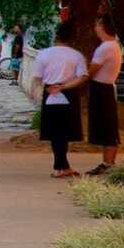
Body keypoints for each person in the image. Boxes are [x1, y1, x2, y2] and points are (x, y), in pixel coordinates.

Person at [34, 22, 89, 177]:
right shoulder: (76, 55)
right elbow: (82, 76)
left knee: (54, 132)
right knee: (64, 132)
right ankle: (61, 166)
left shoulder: (43, 54)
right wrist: (63, 87)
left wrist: (48, 89)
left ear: (55, 37)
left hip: (49, 92)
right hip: (69, 93)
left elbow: (37, 77)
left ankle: (61, 166)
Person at [85, 15, 123, 176]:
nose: (95, 27)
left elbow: (91, 71)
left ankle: (108, 163)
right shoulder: (112, 45)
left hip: (102, 88)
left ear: (103, 26)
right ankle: (107, 162)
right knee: (107, 126)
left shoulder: (106, 47)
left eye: (98, 24)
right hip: (105, 87)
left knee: (107, 127)